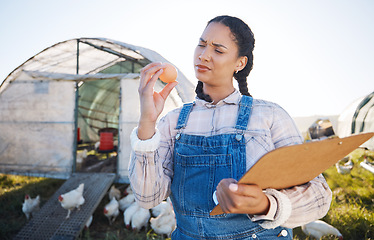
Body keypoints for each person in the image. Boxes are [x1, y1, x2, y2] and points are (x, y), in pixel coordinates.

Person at [129, 15, 332, 239]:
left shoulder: (269, 115)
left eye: (218, 50)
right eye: (202, 44)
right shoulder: (172, 121)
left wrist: (266, 204)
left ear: (240, 63)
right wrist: (147, 122)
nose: (204, 55)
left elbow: (319, 197)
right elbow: (147, 197)